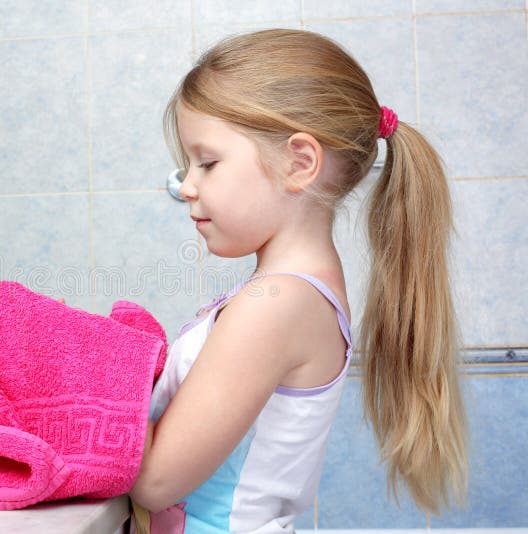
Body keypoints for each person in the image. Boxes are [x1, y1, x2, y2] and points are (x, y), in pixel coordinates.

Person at [128, 29, 468, 533]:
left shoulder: (278, 305)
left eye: (208, 162)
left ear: (300, 162)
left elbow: (155, 483)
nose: (188, 185)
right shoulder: (292, 293)